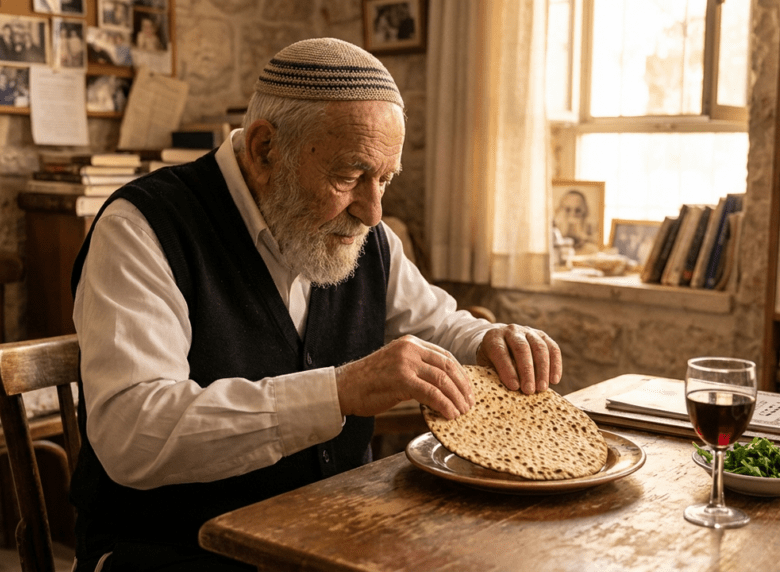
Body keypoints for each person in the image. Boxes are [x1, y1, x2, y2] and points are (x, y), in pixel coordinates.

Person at [70, 37, 562, 572]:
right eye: (349, 176)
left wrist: (487, 341)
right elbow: (133, 433)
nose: (374, 211)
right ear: (264, 149)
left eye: (385, 179)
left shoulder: (364, 236)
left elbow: (439, 323)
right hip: (175, 553)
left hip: (333, 538)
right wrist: (339, 391)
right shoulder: (142, 230)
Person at [554, 189, 595, 253]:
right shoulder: (551, 249)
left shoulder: (591, 251)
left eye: (578, 211)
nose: (572, 216)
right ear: (558, 212)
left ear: (585, 214)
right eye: (567, 210)